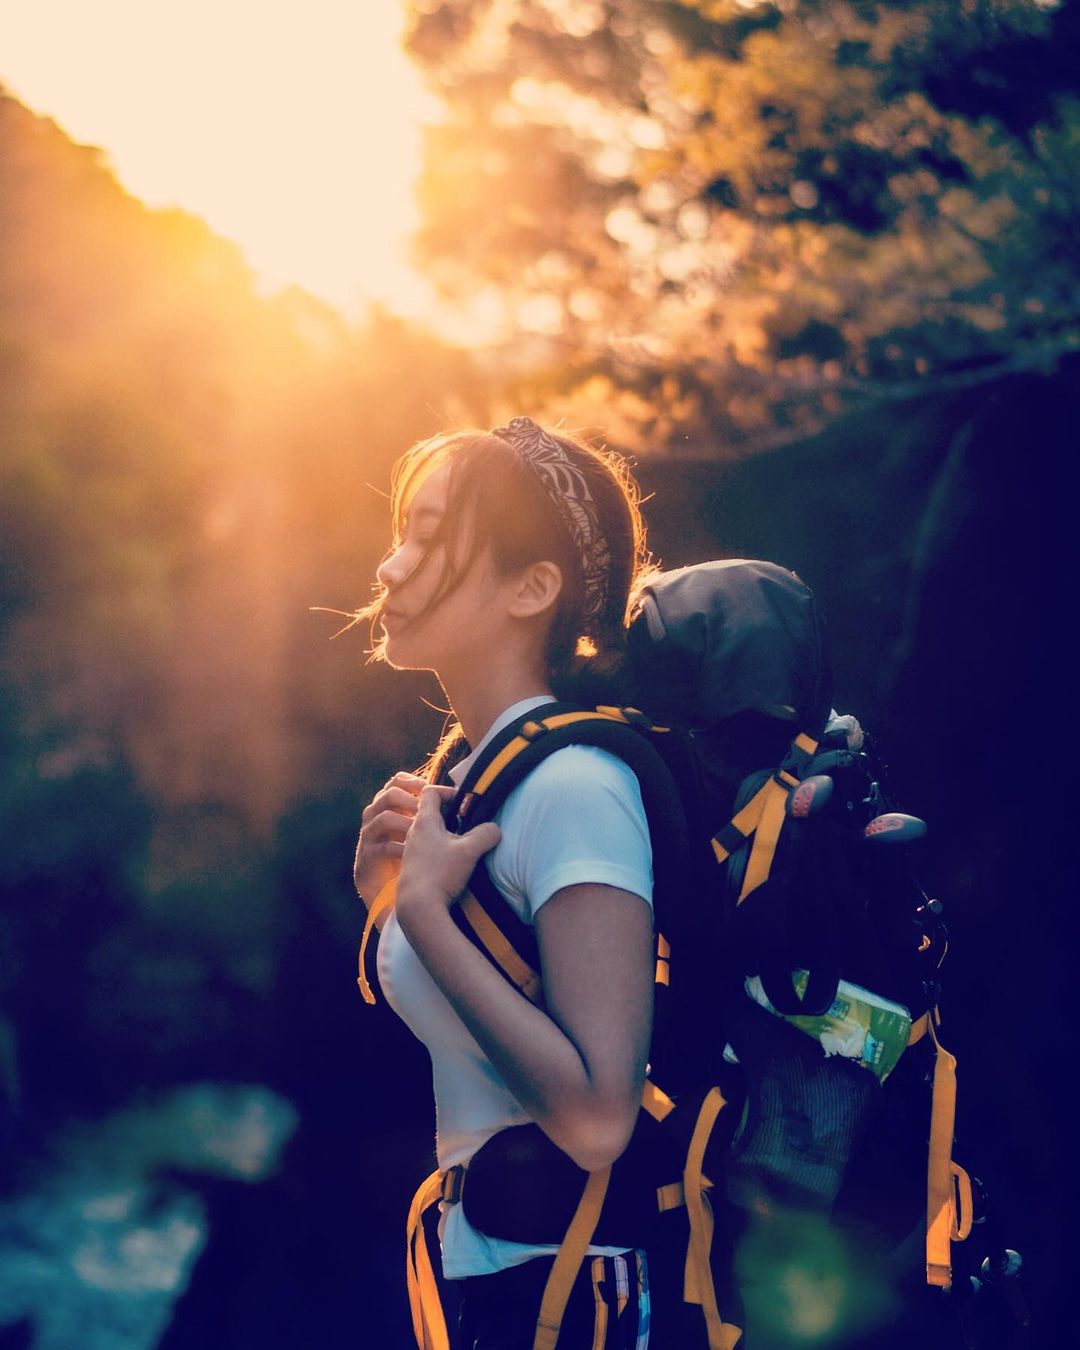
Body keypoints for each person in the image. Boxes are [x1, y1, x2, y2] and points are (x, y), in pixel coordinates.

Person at [353, 416, 683, 1349]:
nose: (388, 568)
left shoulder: (579, 790)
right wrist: (385, 901)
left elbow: (596, 1117)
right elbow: (475, 1039)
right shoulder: (476, 783)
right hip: (489, 1278)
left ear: (534, 588)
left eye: (428, 538)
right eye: (400, 532)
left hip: (575, 1297)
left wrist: (421, 908)